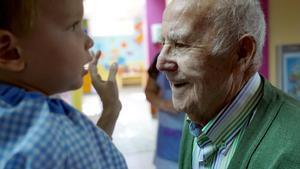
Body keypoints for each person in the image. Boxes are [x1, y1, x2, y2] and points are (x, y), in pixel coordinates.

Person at [156, 0, 300, 169]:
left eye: (180, 44)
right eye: (163, 43)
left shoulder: (293, 148)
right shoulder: (200, 110)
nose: (160, 63)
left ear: (242, 52)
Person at [0, 0, 127, 168]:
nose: (89, 42)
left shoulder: (21, 125)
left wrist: (110, 108)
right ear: (10, 52)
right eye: (74, 26)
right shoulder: (45, 134)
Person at [145, 53, 185, 169]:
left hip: (197, 133)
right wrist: (165, 105)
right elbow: (149, 91)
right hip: (168, 136)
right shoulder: (160, 59)